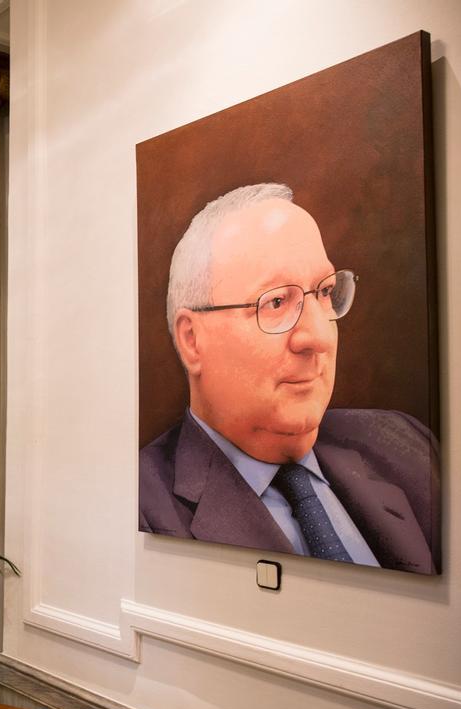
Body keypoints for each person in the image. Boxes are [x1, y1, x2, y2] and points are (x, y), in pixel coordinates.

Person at [139, 183, 439, 574]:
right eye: (276, 302)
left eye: (326, 292)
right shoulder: (142, 507)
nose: (317, 337)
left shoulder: (403, 444)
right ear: (192, 340)